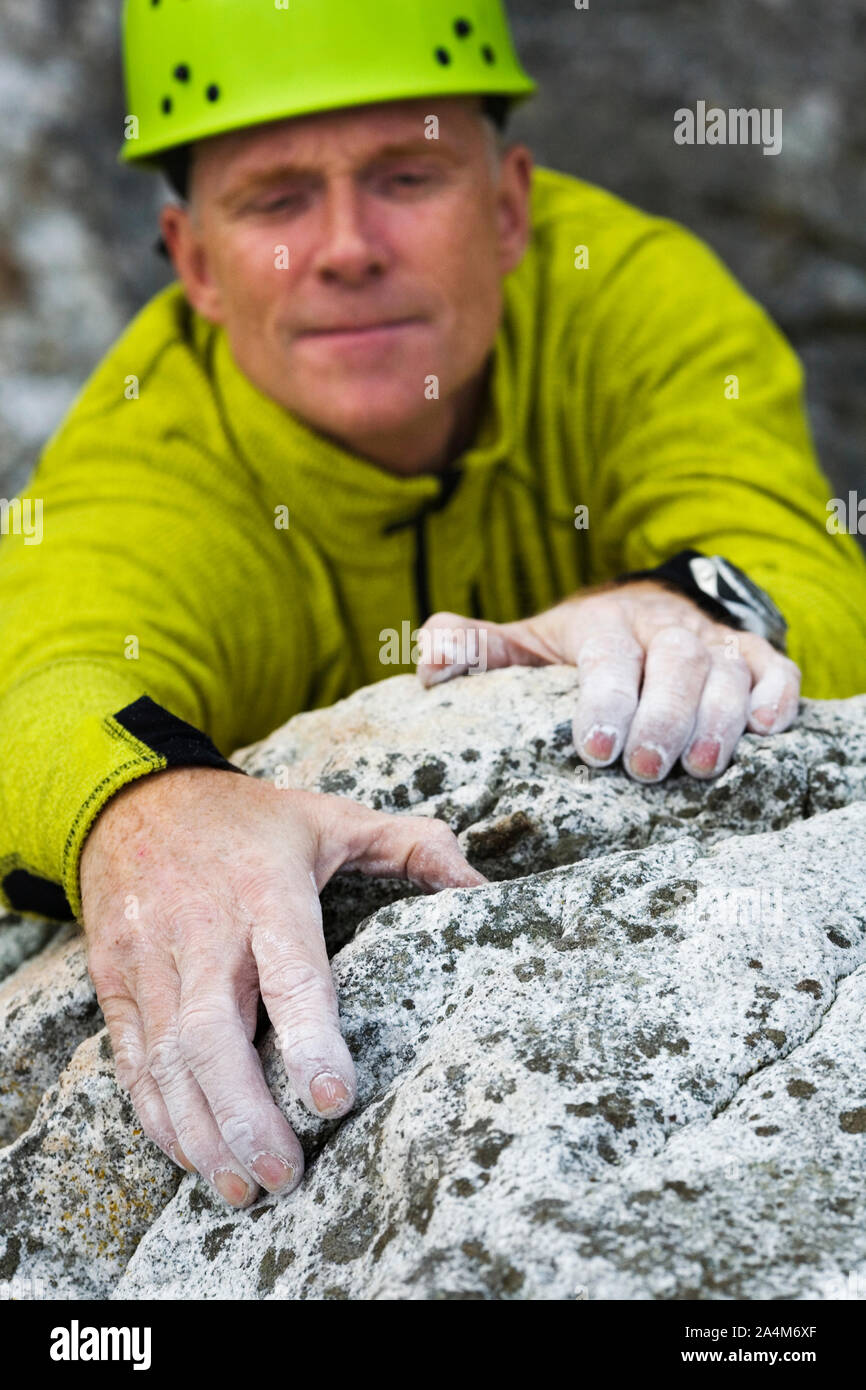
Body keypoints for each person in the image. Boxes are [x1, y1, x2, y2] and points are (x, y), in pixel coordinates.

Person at [1, 0, 864, 1210]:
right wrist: (149, 806)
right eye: (277, 199)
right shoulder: (154, 450)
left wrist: (687, 610)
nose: (348, 246)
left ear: (509, 207)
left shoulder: (624, 296)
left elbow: (791, 551)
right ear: (192, 260)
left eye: (405, 174)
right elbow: (42, 678)